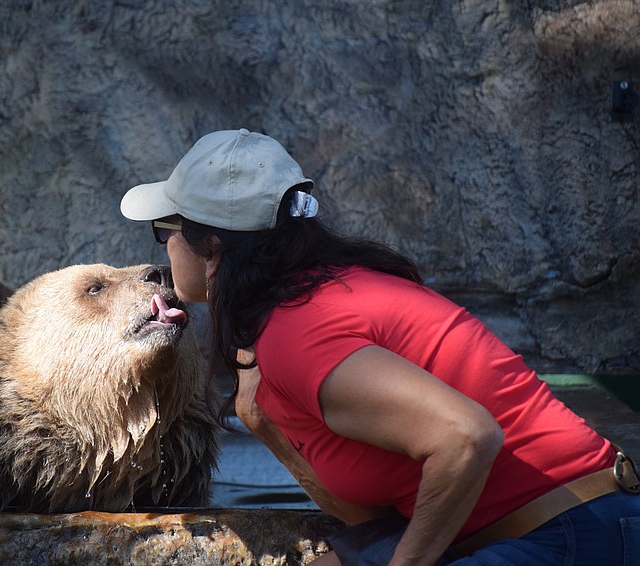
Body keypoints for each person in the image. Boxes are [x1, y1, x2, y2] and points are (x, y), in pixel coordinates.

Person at [120, 128, 639, 565]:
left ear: (212, 248)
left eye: (165, 229)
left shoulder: (300, 329)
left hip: (581, 531)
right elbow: (373, 516)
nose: (163, 248)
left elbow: (467, 436)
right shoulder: (317, 297)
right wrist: (265, 426)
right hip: (546, 528)